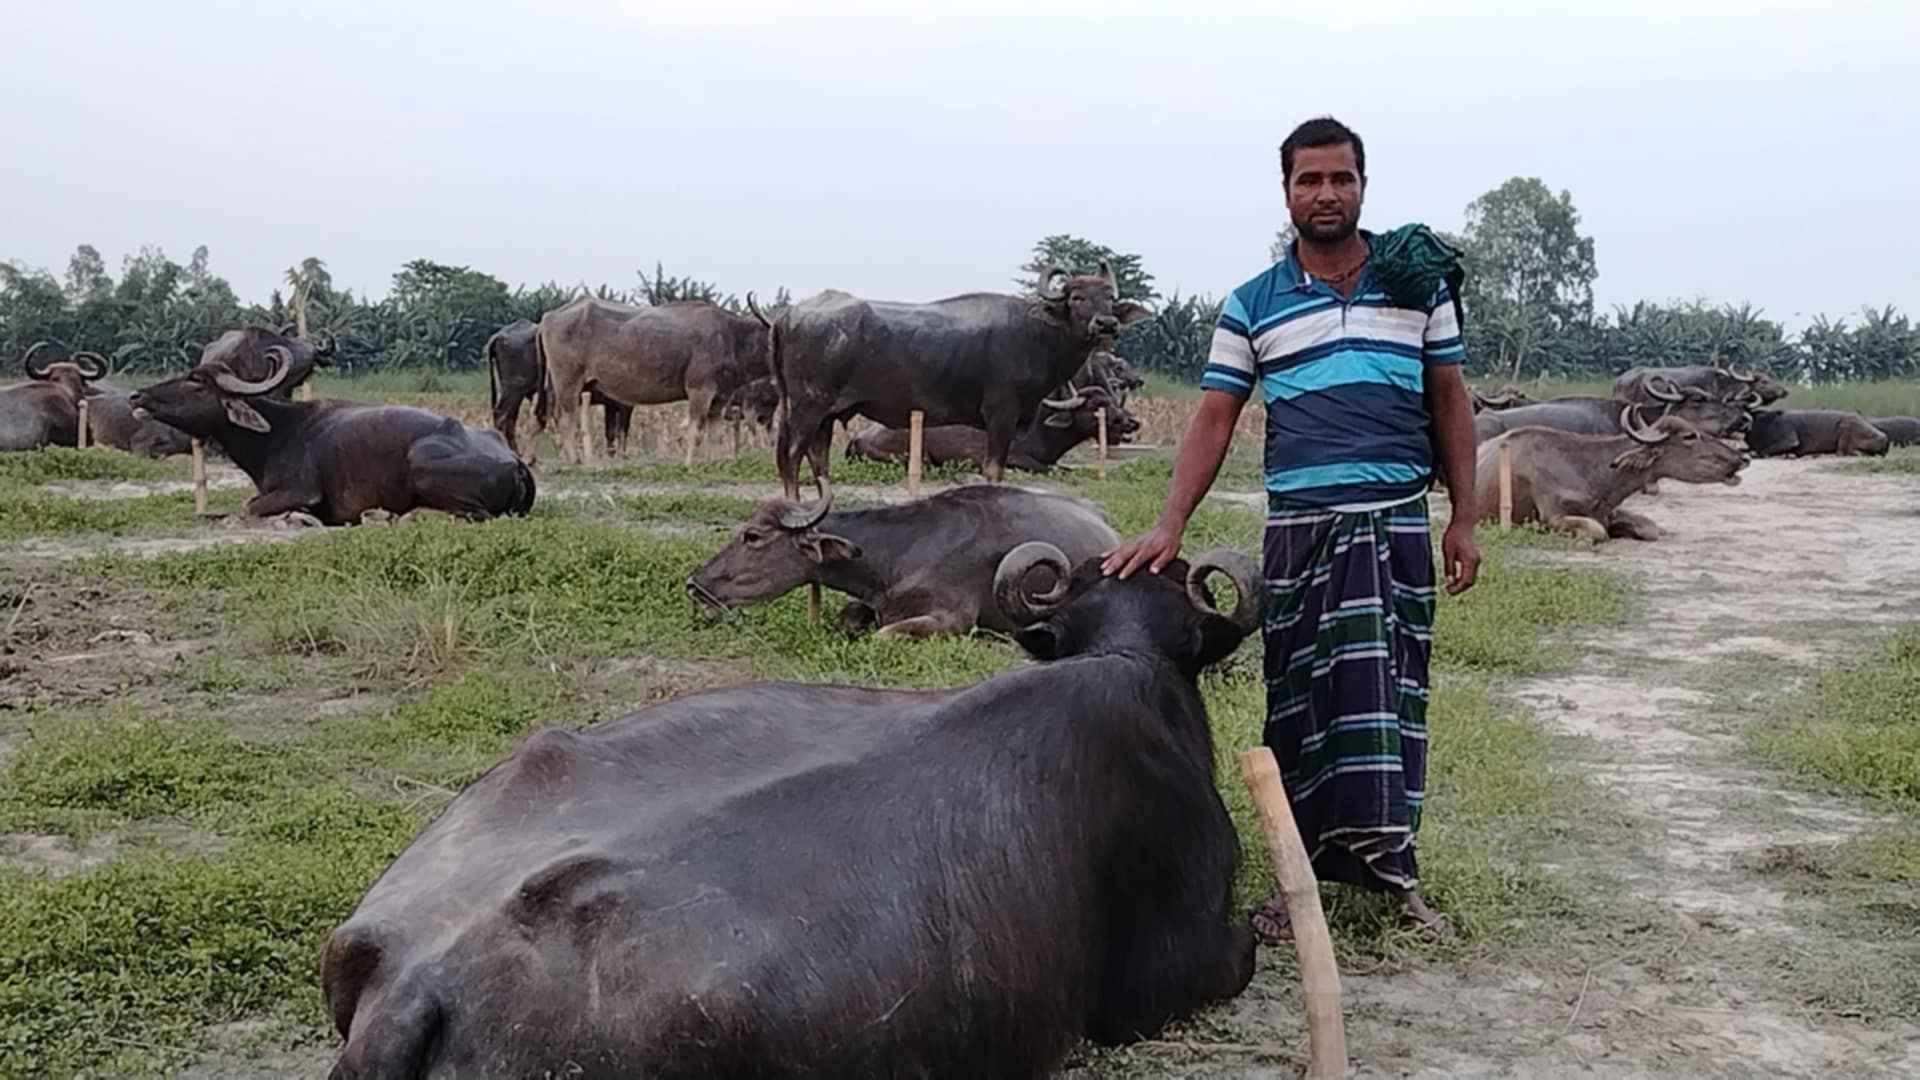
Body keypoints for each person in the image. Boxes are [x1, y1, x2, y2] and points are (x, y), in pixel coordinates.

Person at [1102, 116, 1480, 941]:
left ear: (1363, 187)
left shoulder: (1418, 286)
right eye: (1309, 180)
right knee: (1301, 707)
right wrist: (1170, 525)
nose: (1326, 194)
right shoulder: (1252, 305)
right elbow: (1211, 419)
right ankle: (1294, 879)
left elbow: (1450, 401)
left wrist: (1465, 517)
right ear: (1286, 193)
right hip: (1301, 536)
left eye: (1341, 179)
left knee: (1391, 698)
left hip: (1395, 531)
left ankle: (1390, 874)